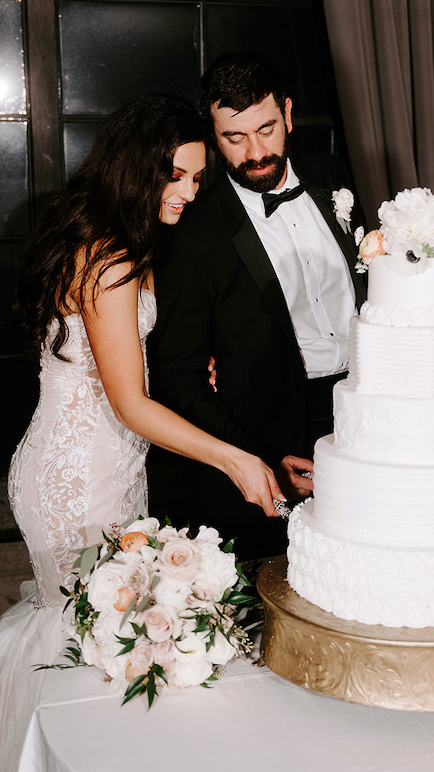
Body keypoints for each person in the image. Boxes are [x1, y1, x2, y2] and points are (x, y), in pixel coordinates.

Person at [0, 93, 285, 772]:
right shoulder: (108, 257)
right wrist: (236, 461)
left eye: (195, 177)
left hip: (109, 467)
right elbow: (127, 403)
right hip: (77, 479)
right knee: (94, 644)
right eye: (175, 176)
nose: (187, 192)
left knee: (104, 637)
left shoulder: (117, 239)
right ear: (136, 169)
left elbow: (113, 365)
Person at [147, 52, 367, 560]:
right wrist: (262, 456)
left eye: (267, 129)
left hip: (366, 409)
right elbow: (178, 378)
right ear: (212, 133)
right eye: (234, 137)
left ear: (287, 114)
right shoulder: (193, 230)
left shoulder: (333, 178)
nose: (256, 152)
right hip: (277, 433)